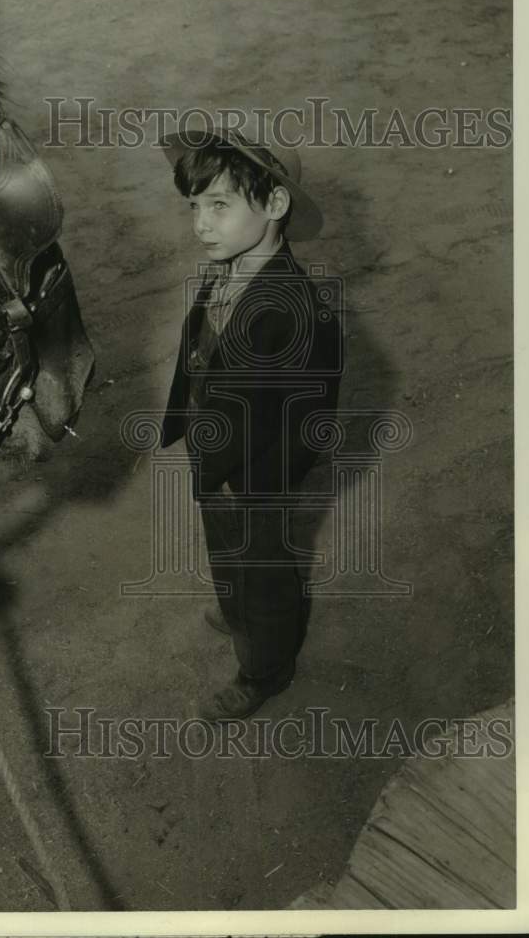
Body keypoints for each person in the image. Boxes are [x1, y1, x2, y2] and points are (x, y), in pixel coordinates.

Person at [159, 122, 342, 720]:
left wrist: (268, 478)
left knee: (265, 567)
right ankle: (233, 604)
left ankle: (265, 666)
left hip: (260, 472)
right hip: (215, 452)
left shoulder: (300, 309)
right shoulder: (227, 267)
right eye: (194, 206)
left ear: (275, 204)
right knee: (222, 543)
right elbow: (203, 349)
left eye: (219, 204)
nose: (201, 224)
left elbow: (312, 415)